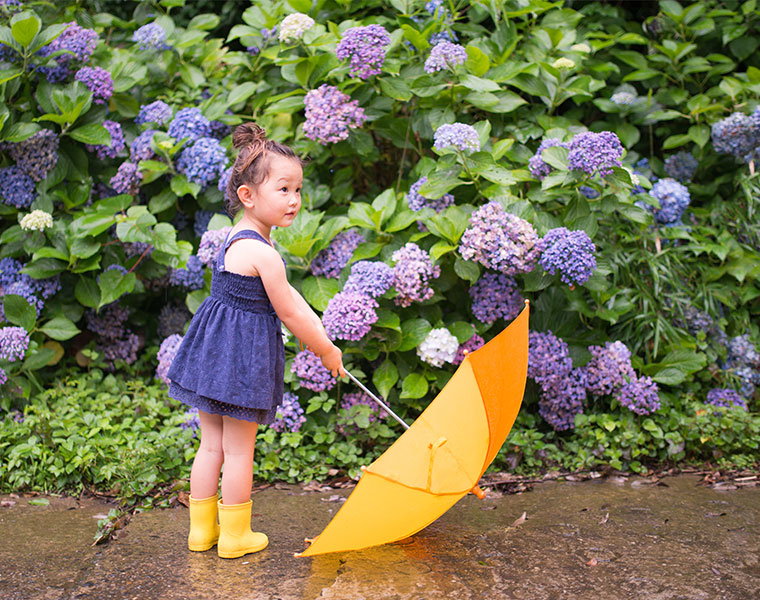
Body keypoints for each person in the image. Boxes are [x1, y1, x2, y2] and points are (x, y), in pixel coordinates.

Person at [167, 122, 345, 559]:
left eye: (298, 189)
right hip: (241, 363)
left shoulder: (234, 238)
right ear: (248, 195)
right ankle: (234, 535)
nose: (295, 200)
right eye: (283, 189)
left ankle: (200, 531)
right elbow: (291, 310)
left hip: (212, 356)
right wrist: (324, 347)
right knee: (239, 449)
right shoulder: (265, 253)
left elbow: (289, 297)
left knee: (210, 445)